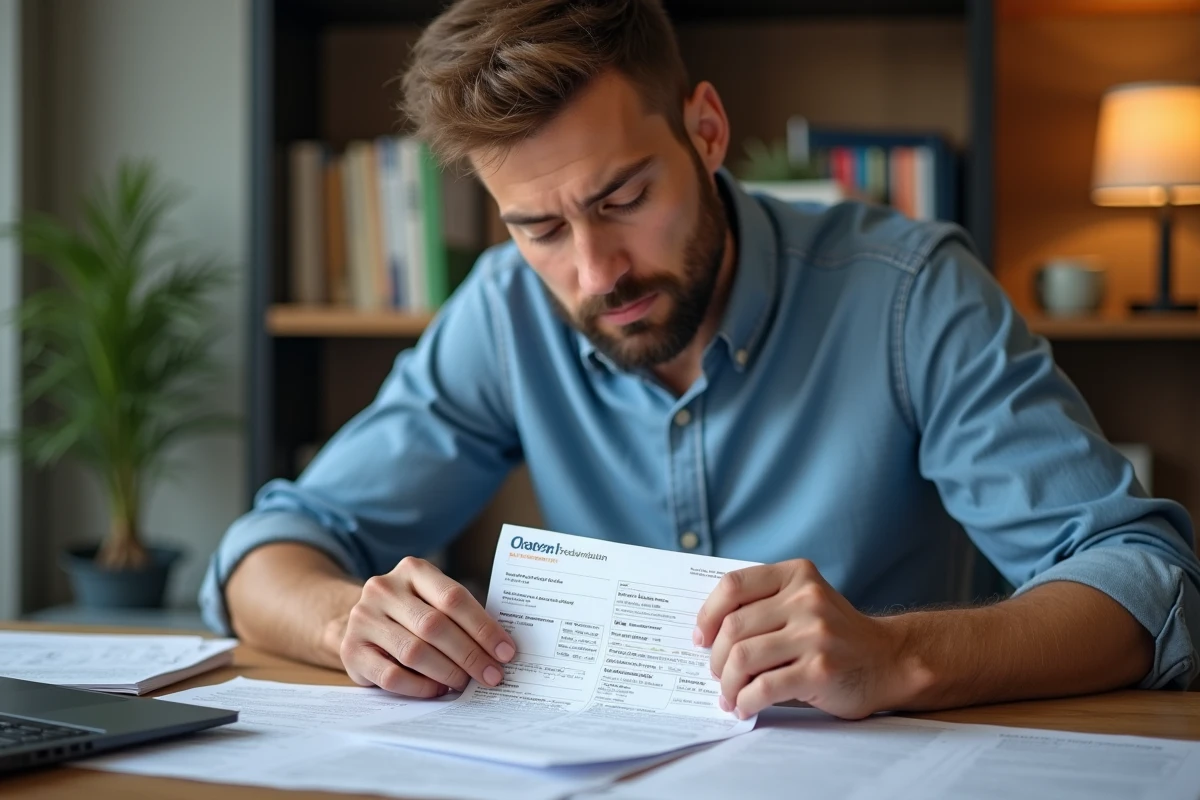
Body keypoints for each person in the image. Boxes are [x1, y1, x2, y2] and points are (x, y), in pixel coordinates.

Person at [202, 0, 1200, 721]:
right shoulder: (505, 311)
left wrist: (898, 654)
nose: (596, 272)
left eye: (624, 198)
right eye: (539, 227)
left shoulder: (909, 295)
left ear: (707, 131)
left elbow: (1147, 582)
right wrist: (349, 622)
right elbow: (270, 549)